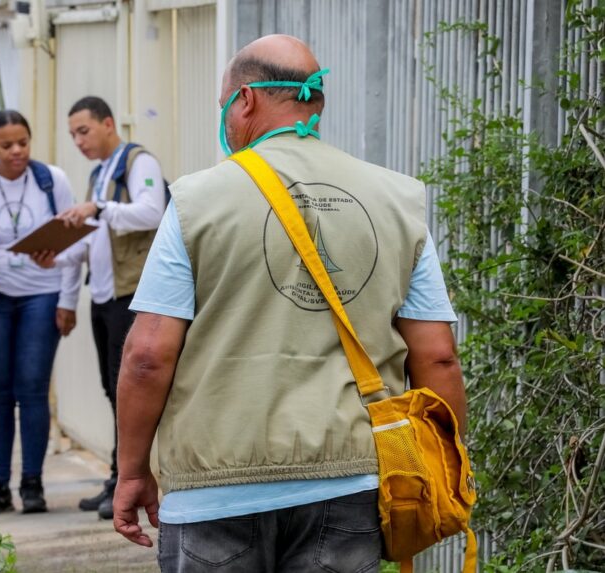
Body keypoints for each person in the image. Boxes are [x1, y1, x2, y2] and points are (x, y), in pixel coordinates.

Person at [112, 35, 469, 572]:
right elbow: (438, 356)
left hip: (215, 489)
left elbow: (147, 356)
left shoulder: (194, 201)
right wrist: (448, 466)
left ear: (246, 100)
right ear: (313, 102)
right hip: (350, 481)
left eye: (225, 107)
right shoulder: (398, 198)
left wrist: (133, 471)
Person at [39, 96, 167, 519]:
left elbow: (152, 212)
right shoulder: (99, 174)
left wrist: (101, 208)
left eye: (84, 130)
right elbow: (96, 237)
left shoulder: (137, 162)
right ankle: (119, 476)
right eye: (73, 134)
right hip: (103, 296)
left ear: (109, 124)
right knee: (112, 389)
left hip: (131, 295)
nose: (78, 141)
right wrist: (56, 256)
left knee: (128, 389)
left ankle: (129, 477)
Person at [0, 110, 81, 515]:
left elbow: (75, 244)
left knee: (32, 387)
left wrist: (68, 301)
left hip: (42, 295)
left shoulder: (51, 181)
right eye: (7, 145)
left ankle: (33, 483)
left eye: (23, 143)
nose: (17, 152)